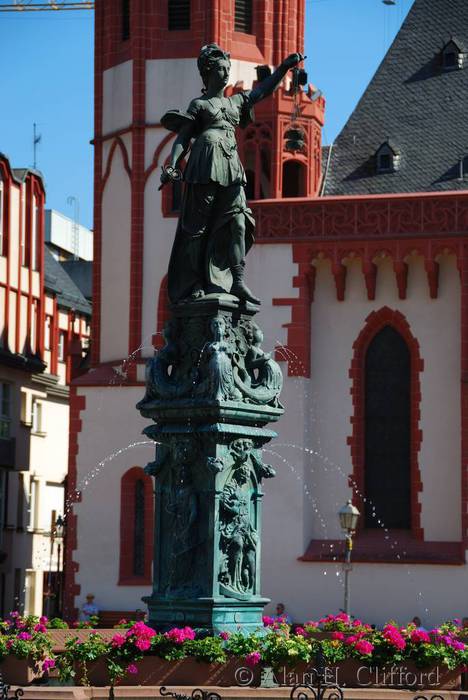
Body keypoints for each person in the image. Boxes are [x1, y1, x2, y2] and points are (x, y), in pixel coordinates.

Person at [160, 44, 305, 305]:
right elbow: (183, 138)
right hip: (204, 165)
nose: (226, 73)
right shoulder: (200, 105)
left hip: (230, 167)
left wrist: (284, 67)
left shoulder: (235, 102)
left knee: (239, 222)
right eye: (220, 69)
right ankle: (193, 283)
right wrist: (172, 165)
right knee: (197, 230)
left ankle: (236, 281)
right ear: (208, 73)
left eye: (228, 69)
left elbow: (263, 90)